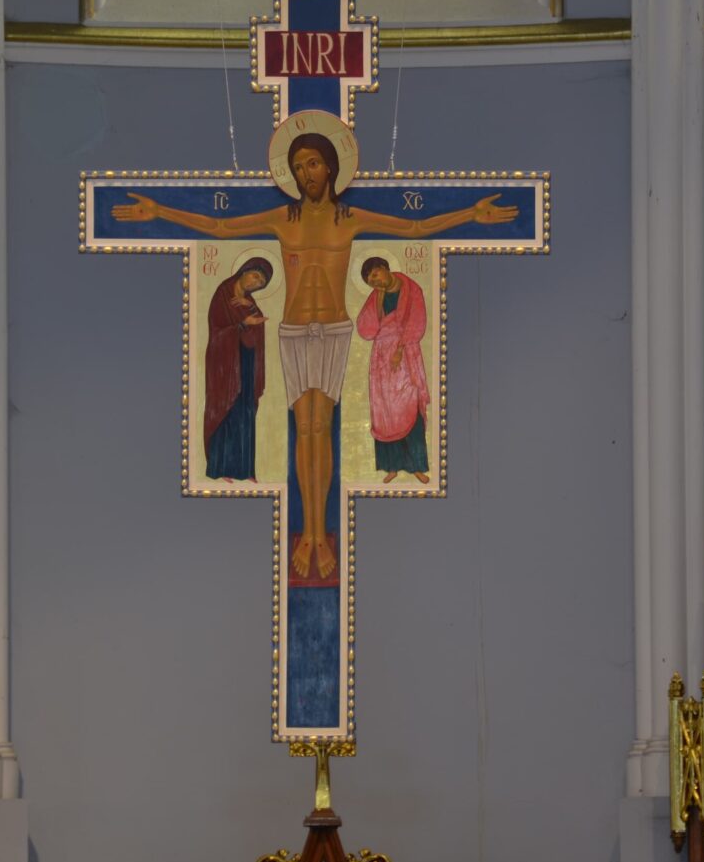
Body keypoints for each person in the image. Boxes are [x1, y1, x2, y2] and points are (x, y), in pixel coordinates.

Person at [111, 131, 518, 578]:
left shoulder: (350, 219)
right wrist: (158, 211)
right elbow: (222, 228)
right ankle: (307, 534)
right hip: (292, 332)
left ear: (330, 166)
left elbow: (416, 228)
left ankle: (319, 535)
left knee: (321, 430)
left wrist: (472, 215)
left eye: (313, 164)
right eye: (299, 166)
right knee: (303, 431)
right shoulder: (284, 219)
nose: (306, 174)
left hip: (336, 331)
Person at [356, 257, 430, 484]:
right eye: (370, 281)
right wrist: (377, 304)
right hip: (381, 360)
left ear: (385, 269)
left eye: (375, 275)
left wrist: (400, 348)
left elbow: (417, 322)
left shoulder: (410, 288)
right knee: (385, 410)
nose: (374, 282)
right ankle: (392, 466)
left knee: (409, 404)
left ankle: (416, 466)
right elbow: (366, 330)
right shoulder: (376, 296)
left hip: (405, 353)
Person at [203, 257, 272, 482]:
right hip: (224, 365)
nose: (256, 283)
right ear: (244, 271)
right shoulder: (222, 294)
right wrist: (243, 325)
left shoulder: (249, 302)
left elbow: (256, 330)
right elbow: (217, 331)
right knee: (226, 411)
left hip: (246, 363)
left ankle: (245, 470)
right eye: (255, 276)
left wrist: (251, 314)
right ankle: (220, 468)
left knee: (246, 413)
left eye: (260, 283)